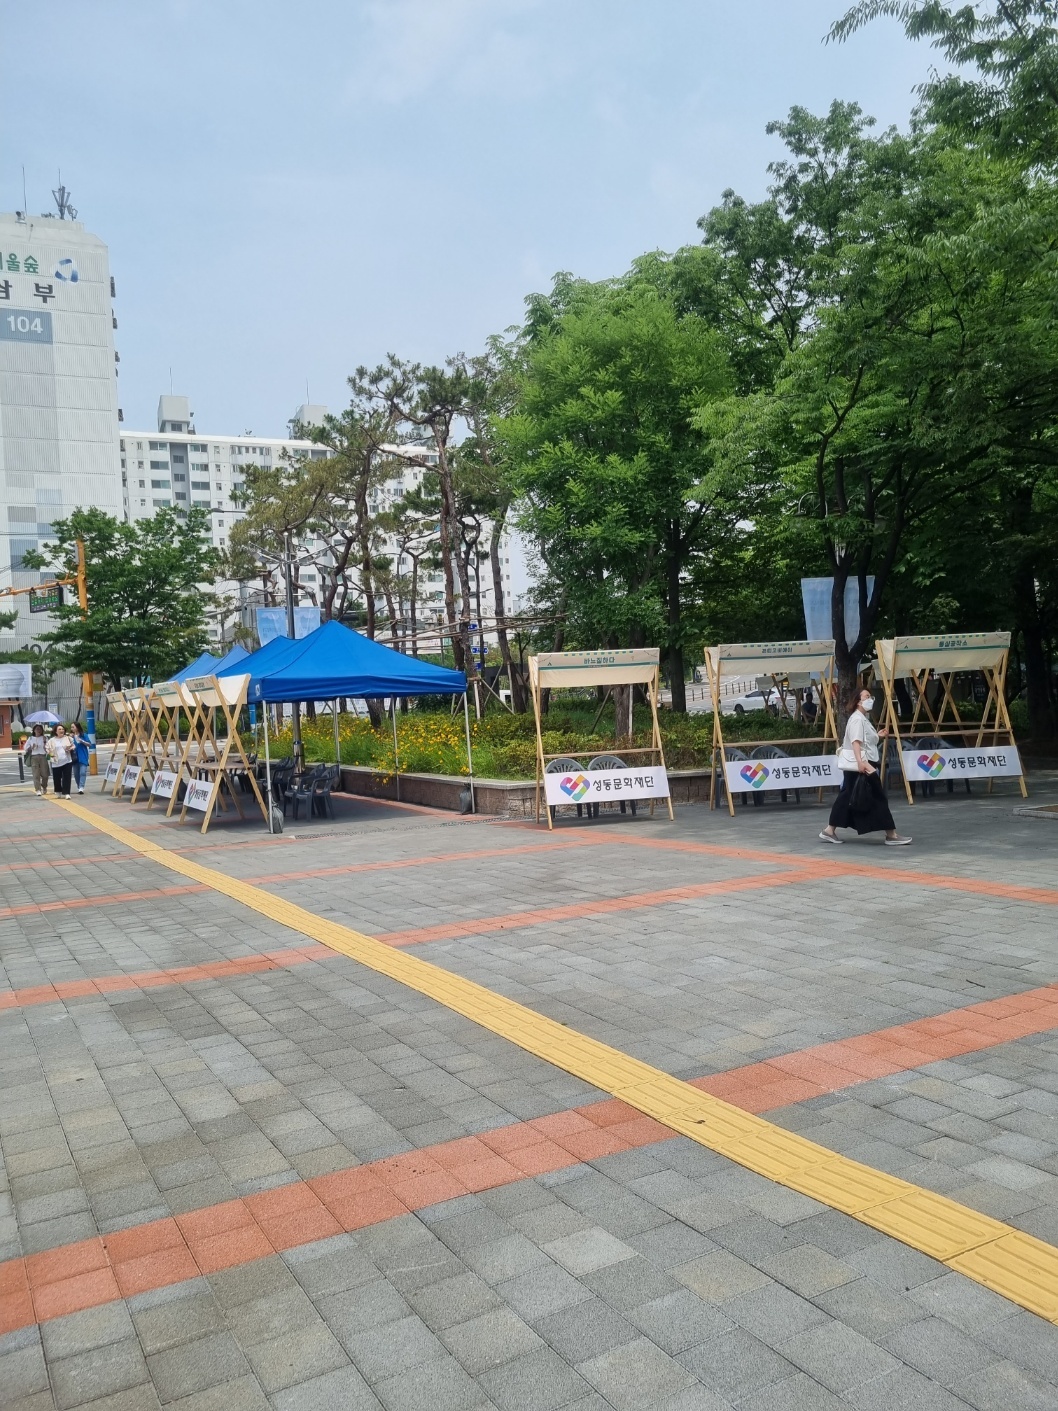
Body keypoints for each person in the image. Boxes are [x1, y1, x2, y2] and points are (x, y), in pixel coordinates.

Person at [820, 687, 911, 846]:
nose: (870, 699)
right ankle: (891, 835)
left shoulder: (861, 718)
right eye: (867, 696)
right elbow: (856, 742)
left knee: (848, 796)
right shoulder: (857, 719)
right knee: (877, 796)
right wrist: (861, 763)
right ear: (858, 701)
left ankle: (829, 830)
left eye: (870, 696)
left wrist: (877, 736)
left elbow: (864, 741)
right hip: (863, 764)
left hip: (860, 765)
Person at [46, 724, 74, 797]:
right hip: (56, 762)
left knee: (67, 777)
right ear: (56, 731)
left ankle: (67, 793)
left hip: (67, 760)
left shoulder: (68, 738)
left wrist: (71, 748)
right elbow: (47, 749)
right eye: (59, 729)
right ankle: (58, 791)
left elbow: (73, 745)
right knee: (57, 778)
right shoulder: (51, 740)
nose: (62, 730)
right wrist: (50, 754)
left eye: (62, 729)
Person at [23, 724, 50, 796]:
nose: (39, 730)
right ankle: (38, 789)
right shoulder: (31, 738)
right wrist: (31, 747)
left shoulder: (44, 738)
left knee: (45, 774)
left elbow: (48, 748)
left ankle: (44, 786)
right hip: (34, 757)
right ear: (34, 730)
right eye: (37, 729)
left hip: (43, 756)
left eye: (40, 729)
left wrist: (44, 742)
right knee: (36, 774)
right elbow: (25, 748)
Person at [70, 722, 90, 793]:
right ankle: (79, 786)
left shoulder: (84, 735)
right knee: (76, 774)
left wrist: (82, 741)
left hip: (83, 756)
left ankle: (81, 787)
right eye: (71, 727)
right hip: (74, 757)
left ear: (77, 727)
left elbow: (89, 744)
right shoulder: (71, 737)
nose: (72, 728)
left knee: (82, 772)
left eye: (73, 727)